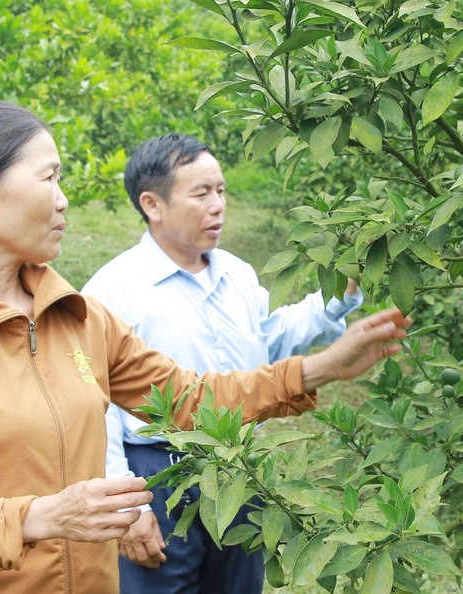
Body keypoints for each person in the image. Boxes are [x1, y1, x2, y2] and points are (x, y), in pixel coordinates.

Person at [0, 101, 410, 594]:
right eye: (49, 179)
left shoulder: (78, 319)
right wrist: (37, 517)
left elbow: (190, 399)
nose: (64, 201)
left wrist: (316, 369)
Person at [82, 133, 363, 594]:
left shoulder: (235, 272)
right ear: (152, 204)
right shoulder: (112, 290)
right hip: (159, 475)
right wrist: (125, 504)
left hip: (241, 468)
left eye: (221, 190)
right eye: (201, 193)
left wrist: (341, 298)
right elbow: (99, 408)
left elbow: (269, 342)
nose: (218, 205)